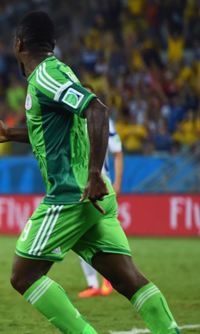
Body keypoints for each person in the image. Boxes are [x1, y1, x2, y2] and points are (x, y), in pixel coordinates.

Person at [0, 11, 200, 334]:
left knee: (23, 276)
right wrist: (9, 133)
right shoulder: (57, 74)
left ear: (19, 45)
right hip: (92, 196)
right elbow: (55, 127)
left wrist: (94, 173)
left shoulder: (44, 76)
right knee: (129, 279)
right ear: (52, 44)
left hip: (72, 195)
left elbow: (97, 110)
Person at [77, 83, 123, 298]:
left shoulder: (103, 120)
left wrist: (118, 183)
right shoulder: (72, 120)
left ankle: (108, 278)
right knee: (78, 234)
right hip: (77, 184)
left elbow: (118, 152)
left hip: (99, 183)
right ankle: (93, 284)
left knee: (99, 233)